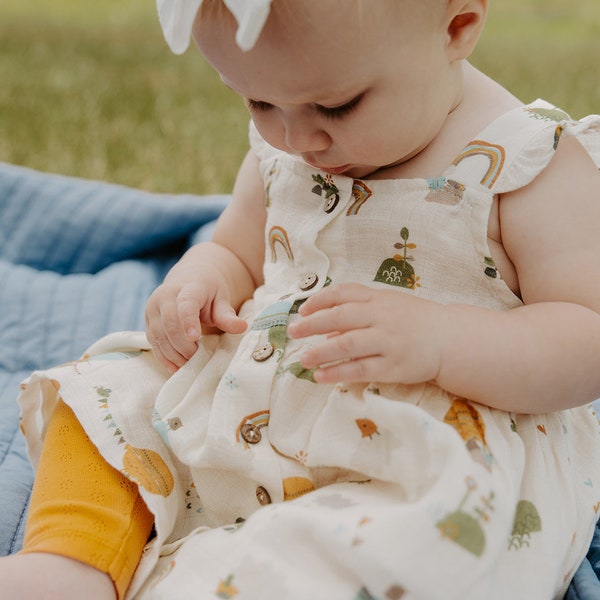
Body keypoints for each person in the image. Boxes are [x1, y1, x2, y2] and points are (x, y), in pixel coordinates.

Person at [3, 0, 600, 598]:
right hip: (253, 395)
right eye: (258, 102)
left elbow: (586, 332)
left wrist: (442, 341)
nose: (296, 138)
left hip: (423, 441)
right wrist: (203, 275)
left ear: (457, 27)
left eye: (336, 105)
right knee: (113, 393)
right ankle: (73, 559)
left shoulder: (527, 165)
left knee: (405, 539)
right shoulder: (285, 148)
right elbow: (239, 251)